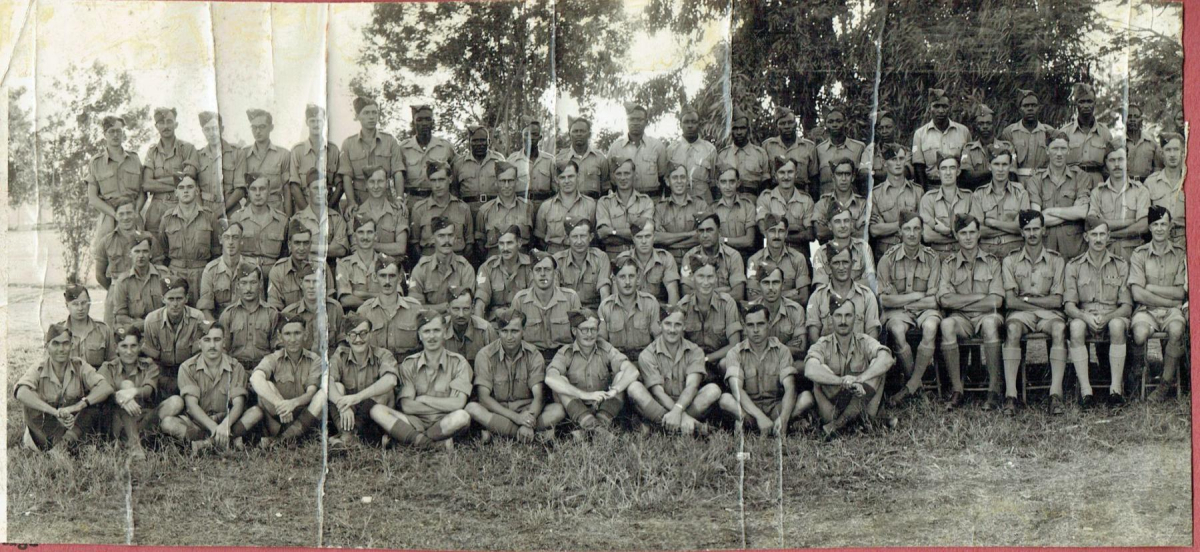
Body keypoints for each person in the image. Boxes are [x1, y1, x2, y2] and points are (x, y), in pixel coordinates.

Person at [369, 311, 473, 449]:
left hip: (446, 420)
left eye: (436, 330)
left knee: (462, 416)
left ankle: (407, 440)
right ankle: (433, 444)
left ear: (444, 332)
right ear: (419, 335)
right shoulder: (409, 364)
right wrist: (443, 404)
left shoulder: (459, 363)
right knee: (377, 410)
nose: (431, 336)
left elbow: (458, 404)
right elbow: (407, 406)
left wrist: (424, 399)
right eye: (426, 331)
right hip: (415, 421)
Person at [1001, 210, 1067, 415]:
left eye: (1036, 229)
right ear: (1021, 232)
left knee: (1059, 329)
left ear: (1044, 230)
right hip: (1022, 315)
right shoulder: (1010, 261)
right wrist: (1038, 303)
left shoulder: (1057, 261)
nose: (1032, 233)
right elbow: (1010, 300)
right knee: (1012, 329)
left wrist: (1026, 300)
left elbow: (1058, 300)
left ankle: (1055, 394)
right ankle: (1011, 395)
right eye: (1028, 229)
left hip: (1048, 315)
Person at [14, 323, 114, 458]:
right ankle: (66, 448)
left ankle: (62, 448)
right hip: (45, 430)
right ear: (47, 346)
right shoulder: (38, 368)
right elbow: (21, 392)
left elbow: (105, 387)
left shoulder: (79, 365)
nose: (61, 349)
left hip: (72, 426)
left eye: (65, 344)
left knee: (98, 401)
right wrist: (55, 413)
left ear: (71, 346)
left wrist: (78, 405)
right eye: (55, 344)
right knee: (30, 403)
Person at [466, 308, 565, 442]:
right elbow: (484, 398)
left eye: (514, 331)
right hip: (499, 412)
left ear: (523, 331)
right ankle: (529, 435)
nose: (509, 337)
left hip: (528, 411)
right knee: (473, 408)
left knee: (558, 410)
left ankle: (501, 434)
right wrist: (516, 418)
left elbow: (539, 396)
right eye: (504, 331)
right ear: (498, 332)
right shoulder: (485, 355)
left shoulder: (533, 354)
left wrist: (529, 419)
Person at [937, 214, 1005, 410]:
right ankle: (957, 389)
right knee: (947, 324)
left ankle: (993, 389)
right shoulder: (948, 264)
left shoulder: (992, 261)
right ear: (956, 236)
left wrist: (961, 302)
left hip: (987, 317)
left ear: (979, 234)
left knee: (991, 324)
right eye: (963, 233)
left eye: (972, 232)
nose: (968, 237)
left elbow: (996, 300)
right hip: (961, 319)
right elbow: (945, 300)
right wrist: (978, 297)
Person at [1063, 217, 1132, 407]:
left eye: (1102, 234)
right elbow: (1069, 306)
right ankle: (1086, 392)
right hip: (1085, 315)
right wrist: (1085, 316)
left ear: (1108, 236)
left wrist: (1109, 317)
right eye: (1094, 234)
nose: (1098, 239)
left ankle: (1115, 390)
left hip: (1113, 315)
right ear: (1086, 237)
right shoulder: (1074, 266)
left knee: (1118, 326)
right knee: (1075, 327)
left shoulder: (1120, 265)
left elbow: (1126, 307)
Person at [803, 297, 895, 439]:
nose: (843, 321)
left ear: (856, 318)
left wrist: (860, 379)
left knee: (878, 366)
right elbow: (809, 369)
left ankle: (839, 426)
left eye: (848, 316)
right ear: (831, 318)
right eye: (838, 316)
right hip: (834, 407)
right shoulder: (823, 344)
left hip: (861, 400)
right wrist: (842, 381)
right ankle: (860, 423)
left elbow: (887, 359)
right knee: (820, 370)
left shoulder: (864, 341)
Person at [878, 212, 943, 406]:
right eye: (907, 229)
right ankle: (918, 387)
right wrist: (915, 296)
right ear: (900, 232)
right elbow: (884, 301)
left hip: (924, 310)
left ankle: (912, 386)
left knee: (931, 326)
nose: (912, 233)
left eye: (916, 229)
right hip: (899, 313)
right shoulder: (887, 259)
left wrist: (902, 300)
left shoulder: (932, 258)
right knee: (897, 330)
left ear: (922, 231)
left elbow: (933, 301)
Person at [544, 308, 641, 437]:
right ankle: (600, 431)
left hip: (603, 408)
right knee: (561, 383)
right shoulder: (565, 353)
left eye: (593, 329)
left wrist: (615, 390)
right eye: (584, 330)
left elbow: (632, 371)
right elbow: (550, 378)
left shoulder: (605, 348)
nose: (589, 334)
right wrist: (585, 395)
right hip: (576, 410)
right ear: (574, 331)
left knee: (622, 375)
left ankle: (592, 430)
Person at [626, 305, 721, 436]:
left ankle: (658, 429)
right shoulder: (647, 354)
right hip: (659, 406)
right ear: (659, 325)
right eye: (667, 324)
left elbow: (692, 386)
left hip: (687, 404)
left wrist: (678, 410)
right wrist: (680, 414)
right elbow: (657, 392)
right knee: (634, 388)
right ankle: (693, 426)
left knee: (713, 390)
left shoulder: (695, 351)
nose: (672, 330)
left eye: (677, 325)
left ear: (684, 326)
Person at [719, 303, 811, 436]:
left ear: (768, 324)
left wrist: (783, 418)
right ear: (745, 327)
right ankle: (757, 424)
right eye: (750, 325)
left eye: (760, 324)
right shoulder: (735, 353)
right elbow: (736, 390)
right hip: (750, 409)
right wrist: (759, 416)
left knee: (806, 398)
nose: (755, 330)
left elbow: (790, 387)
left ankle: (778, 424)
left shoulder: (782, 350)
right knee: (725, 400)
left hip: (775, 407)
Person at [159, 322, 251, 452]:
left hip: (227, 421)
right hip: (198, 423)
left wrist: (225, 425)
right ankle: (226, 441)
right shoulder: (187, 367)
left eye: (217, 340)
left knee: (256, 413)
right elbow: (191, 406)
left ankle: (205, 445)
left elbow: (238, 404)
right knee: (168, 423)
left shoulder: (236, 367)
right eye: (207, 340)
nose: (212, 345)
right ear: (199, 343)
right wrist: (214, 427)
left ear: (224, 343)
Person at [1130, 206, 1189, 402]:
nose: (1160, 228)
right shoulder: (1139, 254)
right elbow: (1138, 293)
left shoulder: (1180, 254)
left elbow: (1181, 292)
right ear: (1149, 227)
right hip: (1147, 310)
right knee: (1138, 333)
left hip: (1172, 311)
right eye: (1155, 224)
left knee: (1176, 330)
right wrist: (1168, 299)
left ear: (1170, 226)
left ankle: (1165, 383)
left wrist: (1152, 287)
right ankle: (1138, 376)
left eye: (1163, 224)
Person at [243, 314, 325, 444]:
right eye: (287, 334)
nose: (292, 339)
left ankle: (282, 440)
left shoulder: (315, 360)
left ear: (305, 335)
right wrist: (280, 404)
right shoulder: (273, 358)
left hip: (305, 419)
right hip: (280, 418)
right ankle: (289, 438)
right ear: (280, 337)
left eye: (297, 333)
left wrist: (293, 403)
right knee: (266, 384)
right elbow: (255, 378)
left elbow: (311, 393)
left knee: (322, 394)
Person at [328, 314, 400, 447]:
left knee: (384, 392)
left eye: (363, 333)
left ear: (371, 335)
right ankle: (350, 437)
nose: (358, 339)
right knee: (336, 386)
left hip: (374, 419)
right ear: (347, 338)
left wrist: (357, 397)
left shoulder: (383, 355)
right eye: (353, 334)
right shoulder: (340, 354)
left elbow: (391, 380)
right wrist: (342, 405)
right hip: (347, 417)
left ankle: (346, 438)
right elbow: (327, 382)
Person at [97, 325, 167, 460]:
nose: (129, 351)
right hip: (116, 421)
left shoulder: (149, 365)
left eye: (133, 346)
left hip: (143, 420)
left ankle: (130, 441)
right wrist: (122, 398)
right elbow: (104, 391)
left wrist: (131, 392)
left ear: (140, 346)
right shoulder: (108, 368)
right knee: (124, 390)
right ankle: (134, 445)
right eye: (124, 346)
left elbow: (148, 390)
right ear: (116, 348)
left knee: (174, 402)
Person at [1027, 130, 1093, 259]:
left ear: (1068, 150)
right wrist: (1071, 213)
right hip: (1046, 248)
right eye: (1055, 148)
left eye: (1063, 149)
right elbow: (1037, 220)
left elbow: (1083, 212)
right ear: (1047, 150)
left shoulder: (1080, 176)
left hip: (1074, 248)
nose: (1059, 154)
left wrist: (1049, 211)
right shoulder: (1035, 180)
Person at [86, 115, 144, 258]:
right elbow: (92, 198)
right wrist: (114, 214)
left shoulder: (134, 159)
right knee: (108, 260)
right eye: (111, 131)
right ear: (104, 134)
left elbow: (143, 192)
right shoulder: (96, 163)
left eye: (119, 131)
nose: (115, 135)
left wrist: (135, 212)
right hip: (109, 218)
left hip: (133, 217)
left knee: (138, 257)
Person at [158, 176, 221, 304]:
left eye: (190, 187)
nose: (185, 191)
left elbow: (216, 251)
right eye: (181, 188)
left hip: (202, 275)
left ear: (197, 191)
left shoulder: (209, 216)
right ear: (176, 192)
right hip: (175, 274)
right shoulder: (168, 218)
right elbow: (162, 250)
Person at [141, 277, 207, 396]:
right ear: (163, 299)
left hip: (189, 372)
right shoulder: (151, 321)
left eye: (179, 299)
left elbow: (199, 356)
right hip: (161, 373)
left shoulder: (197, 318)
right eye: (170, 299)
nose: (175, 304)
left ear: (186, 298)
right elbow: (152, 359)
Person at [511, 254, 583, 361]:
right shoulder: (520, 300)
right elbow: (514, 336)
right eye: (538, 270)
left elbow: (580, 335)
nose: (543, 274)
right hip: (531, 358)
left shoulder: (570, 298)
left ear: (555, 273)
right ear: (531, 274)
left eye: (547, 269)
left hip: (565, 357)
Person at [806, 242, 880, 343]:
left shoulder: (867, 295)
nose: (841, 267)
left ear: (852, 264)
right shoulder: (817, 297)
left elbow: (872, 336)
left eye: (845, 262)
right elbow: (813, 337)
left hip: (860, 355)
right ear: (828, 267)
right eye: (836, 263)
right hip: (827, 355)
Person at [142, 107, 200, 234]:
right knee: (155, 249)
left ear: (176, 124)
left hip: (180, 207)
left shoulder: (188, 149)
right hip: (156, 211)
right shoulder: (152, 152)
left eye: (169, 121)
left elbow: (188, 179)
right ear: (156, 126)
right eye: (161, 123)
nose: (166, 126)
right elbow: (146, 184)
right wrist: (177, 180)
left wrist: (157, 183)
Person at [1086, 143, 1149, 259]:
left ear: (1127, 161)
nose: (1117, 165)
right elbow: (1093, 224)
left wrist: (1110, 233)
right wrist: (1132, 221)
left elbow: (1143, 226)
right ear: (1106, 163)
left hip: (1133, 254)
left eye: (1121, 159)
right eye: (1112, 160)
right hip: (1104, 254)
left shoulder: (1140, 191)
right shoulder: (1097, 192)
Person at [678, 256, 743, 368]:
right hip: (692, 362)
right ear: (693, 278)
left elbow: (734, 344)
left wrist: (707, 359)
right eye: (701, 277)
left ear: (716, 278)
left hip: (718, 360)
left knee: (726, 364)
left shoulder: (727, 303)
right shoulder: (684, 305)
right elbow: (677, 343)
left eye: (710, 277)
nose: (706, 282)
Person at [95, 199, 153, 325]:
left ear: (136, 214)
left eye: (129, 213)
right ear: (115, 215)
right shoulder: (106, 242)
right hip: (116, 292)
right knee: (113, 334)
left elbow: (158, 267)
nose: (125, 217)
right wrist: (116, 288)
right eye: (121, 214)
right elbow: (99, 275)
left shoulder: (148, 238)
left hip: (143, 291)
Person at [340, 96, 406, 207]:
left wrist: (399, 198)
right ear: (357, 117)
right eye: (366, 113)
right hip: (359, 199)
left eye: (374, 113)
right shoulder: (348, 144)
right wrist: (351, 202)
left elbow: (398, 171)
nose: (371, 117)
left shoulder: (390, 141)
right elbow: (346, 176)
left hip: (385, 199)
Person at [356, 254, 425, 359]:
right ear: (375, 277)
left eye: (392, 276)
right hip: (377, 371)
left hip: (408, 370)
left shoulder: (415, 309)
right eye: (382, 276)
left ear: (400, 278)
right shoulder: (364, 312)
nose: (387, 281)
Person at [973, 144, 1030, 259]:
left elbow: (1023, 227)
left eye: (1004, 164)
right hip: (986, 250)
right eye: (996, 164)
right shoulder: (979, 194)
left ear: (1010, 166)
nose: (1000, 169)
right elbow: (978, 230)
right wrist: (1011, 228)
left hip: (1014, 250)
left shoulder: (1020, 193)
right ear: (989, 166)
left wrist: (992, 223)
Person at [219, 263, 280, 372]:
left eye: (253, 282)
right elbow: (223, 349)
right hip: (236, 368)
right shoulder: (228, 314)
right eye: (244, 283)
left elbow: (277, 349)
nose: (248, 288)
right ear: (237, 285)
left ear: (260, 284)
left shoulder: (271, 313)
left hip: (264, 368)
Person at [918, 155, 983, 256]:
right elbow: (927, 236)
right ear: (938, 173)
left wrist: (947, 231)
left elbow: (976, 232)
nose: (948, 173)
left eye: (952, 168)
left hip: (964, 255)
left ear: (958, 172)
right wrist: (960, 234)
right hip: (937, 255)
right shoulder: (928, 199)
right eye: (943, 169)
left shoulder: (969, 197)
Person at [598, 257, 663, 359]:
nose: (627, 282)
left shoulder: (650, 303)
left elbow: (658, 338)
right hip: (617, 360)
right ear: (614, 279)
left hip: (646, 359)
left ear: (638, 278)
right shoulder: (605, 307)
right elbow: (602, 342)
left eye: (631, 276)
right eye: (622, 277)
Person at [409, 216, 477, 311]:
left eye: (450, 235)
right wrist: (444, 307)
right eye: (441, 236)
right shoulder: (421, 268)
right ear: (433, 239)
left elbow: (467, 305)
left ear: (455, 238)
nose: (447, 241)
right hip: (429, 322)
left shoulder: (465, 268)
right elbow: (415, 306)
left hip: (457, 322)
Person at [868, 144, 924, 261]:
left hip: (912, 253)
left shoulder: (917, 191)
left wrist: (886, 226)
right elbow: (874, 230)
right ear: (884, 162)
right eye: (893, 159)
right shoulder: (876, 194)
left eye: (901, 159)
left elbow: (921, 226)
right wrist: (907, 224)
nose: (898, 163)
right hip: (885, 254)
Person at [911, 89, 972, 191]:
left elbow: (968, 164)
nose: (940, 110)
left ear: (950, 108)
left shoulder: (963, 131)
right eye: (936, 106)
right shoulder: (920, 134)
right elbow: (919, 168)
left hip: (958, 187)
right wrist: (923, 194)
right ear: (930, 108)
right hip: (932, 187)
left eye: (944, 106)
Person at [267, 221, 335, 310]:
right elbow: (275, 308)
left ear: (310, 245)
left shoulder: (321, 267)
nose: (302, 248)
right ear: (289, 245)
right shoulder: (278, 271)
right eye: (297, 243)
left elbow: (329, 302)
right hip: (290, 320)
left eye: (306, 243)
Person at [596, 157, 655, 260]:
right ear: (613, 177)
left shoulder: (646, 201)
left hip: (640, 258)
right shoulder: (604, 202)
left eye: (627, 173)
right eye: (619, 174)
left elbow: (645, 234)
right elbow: (602, 234)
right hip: (613, 258)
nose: (623, 178)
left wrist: (612, 232)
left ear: (634, 175)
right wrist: (633, 234)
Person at [237, 108, 293, 216]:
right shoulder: (243, 154)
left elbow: (287, 190)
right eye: (254, 127)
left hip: (276, 210)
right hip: (251, 212)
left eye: (262, 127)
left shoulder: (283, 154)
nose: (257, 131)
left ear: (271, 128)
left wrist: (288, 218)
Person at [411, 161, 473, 256]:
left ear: (450, 179)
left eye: (441, 180)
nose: (437, 185)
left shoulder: (463, 208)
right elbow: (415, 243)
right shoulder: (419, 209)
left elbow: (469, 243)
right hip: (428, 262)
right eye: (433, 180)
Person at [746, 261, 808, 358]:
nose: (771, 288)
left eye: (775, 282)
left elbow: (801, 348)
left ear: (783, 285)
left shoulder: (796, 310)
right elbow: (748, 349)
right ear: (758, 285)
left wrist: (762, 347)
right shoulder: (750, 311)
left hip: (787, 363)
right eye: (766, 283)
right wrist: (785, 347)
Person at [281, 262, 345, 353]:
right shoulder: (290, 313)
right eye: (307, 281)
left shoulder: (334, 308)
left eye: (316, 282)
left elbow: (342, 341)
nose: (311, 286)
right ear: (300, 283)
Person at [111, 231, 169, 332]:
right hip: (135, 329)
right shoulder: (123, 281)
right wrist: (140, 325)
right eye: (137, 251)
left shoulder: (163, 275)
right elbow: (120, 315)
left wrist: (147, 323)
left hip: (161, 329)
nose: (141, 255)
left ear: (150, 253)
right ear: (130, 254)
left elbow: (171, 307)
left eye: (145, 251)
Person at [289, 104, 343, 212]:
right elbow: (294, 187)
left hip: (329, 206)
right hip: (303, 207)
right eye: (312, 121)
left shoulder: (333, 150)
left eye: (319, 120)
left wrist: (328, 210)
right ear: (307, 123)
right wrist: (308, 213)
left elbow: (340, 185)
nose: (316, 124)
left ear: (324, 122)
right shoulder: (297, 151)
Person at [536, 160, 597, 255]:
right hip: (554, 258)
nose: (567, 181)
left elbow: (593, 236)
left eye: (571, 176)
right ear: (556, 180)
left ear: (578, 176)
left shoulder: (590, 205)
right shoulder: (546, 207)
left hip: (581, 257)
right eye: (562, 177)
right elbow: (540, 237)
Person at [606, 103, 668, 197]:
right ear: (626, 121)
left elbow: (662, 176)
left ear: (646, 122)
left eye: (639, 119)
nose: (635, 123)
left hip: (652, 200)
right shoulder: (615, 148)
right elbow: (612, 179)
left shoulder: (657, 146)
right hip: (625, 202)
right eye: (631, 119)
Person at [346, 166, 409, 258]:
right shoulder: (355, 213)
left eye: (380, 181)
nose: (376, 186)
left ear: (387, 183)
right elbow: (355, 249)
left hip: (392, 267)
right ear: (366, 185)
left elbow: (400, 248)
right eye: (372, 182)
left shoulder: (398, 212)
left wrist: (371, 244)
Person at [681, 212, 746, 301]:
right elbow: (686, 293)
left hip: (727, 309)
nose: (705, 235)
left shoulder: (733, 256)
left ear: (719, 232)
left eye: (709, 230)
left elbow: (738, 294)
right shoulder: (689, 256)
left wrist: (703, 293)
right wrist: (724, 290)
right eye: (701, 231)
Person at [475, 161, 533, 259]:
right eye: (502, 181)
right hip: (494, 267)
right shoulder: (485, 211)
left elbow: (532, 240)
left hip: (522, 266)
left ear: (516, 181)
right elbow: (480, 244)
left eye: (510, 180)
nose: (506, 185)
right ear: (496, 182)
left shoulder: (528, 207)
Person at [756, 156, 816, 250]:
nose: (786, 177)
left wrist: (776, 232)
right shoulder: (766, 198)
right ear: (775, 176)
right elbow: (763, 229)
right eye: (782, 172)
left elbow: (809, 234)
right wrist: (796, 229)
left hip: (799, 253)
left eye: (790, 172)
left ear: (796, 174)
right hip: (774, 253)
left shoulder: (806, 200)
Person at [616, 219, 682, 306]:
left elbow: (673, 292)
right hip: (631, 309)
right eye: (639, 237)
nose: (644, 241)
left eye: (647, 236)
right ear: (633, 239)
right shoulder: (622, 259)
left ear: (654, 237)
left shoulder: (666, 258)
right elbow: (616, 294)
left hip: (658, 309)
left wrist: (671, 316)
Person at [229, 176, 289, 269]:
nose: (258, 193)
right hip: (245, 275)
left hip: (273, 274)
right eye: (253, 189)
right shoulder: (236, 219)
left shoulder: (282, 220)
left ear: (269, 192)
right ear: (248, 192)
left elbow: (285, 254)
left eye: (262, 189)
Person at [474, 225, 533, 319]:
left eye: (509, 243)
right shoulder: (487, 267)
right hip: (495, 322)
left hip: (522, 320)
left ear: (519, 243)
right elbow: (480, 303)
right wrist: (479, 327)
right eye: (501, 243)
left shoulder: (531, 266)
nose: (505, 248)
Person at [811, 203, 875, 289]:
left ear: (851, 224)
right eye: (837, 222)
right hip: (832, 301)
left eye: (846, 221)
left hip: (860, 299)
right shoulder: (821, 253)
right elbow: (821, 288)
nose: (843, 226)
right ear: (830, 226)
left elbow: (870, 281)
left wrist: (839, 288)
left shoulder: (863, 247)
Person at [1059, 83, 1112, 187]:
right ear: (1076, 104)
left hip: (1097, 183)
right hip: (1072, 182)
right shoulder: (1066, 132)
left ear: (1095, 103)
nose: (1086, 105)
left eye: (1089, 101)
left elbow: (1110, 163)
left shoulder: (1105, 133)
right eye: (1082, 102)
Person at [399, 104, 457, 198]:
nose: (424, 123)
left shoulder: (445, 146)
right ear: (413, 123)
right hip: (413, 200)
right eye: (419, 120)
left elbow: (454, 176)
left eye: (428, 119)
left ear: (433, 122)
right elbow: (398, 177)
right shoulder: (403, 148)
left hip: (439, 200)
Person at [290, 170, 351, 260]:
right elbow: (293, 250)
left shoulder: (336, 219)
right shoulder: (298, 219)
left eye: (323, 188)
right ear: (307, 191)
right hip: (305, 269)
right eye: (315, 188)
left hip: (331, 268)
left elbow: (340, 250)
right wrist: (329, 248)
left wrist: (308, 247)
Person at [552, 217, 612, 308]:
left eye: (583, 236)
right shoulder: (557, 260)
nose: (579, 241)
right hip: (567, 310)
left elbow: (604, 293)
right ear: (568, 239)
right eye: (575, 237)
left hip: (592, 312)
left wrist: (603, 318)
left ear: (591, 237)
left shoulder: (601, 258)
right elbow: (554, 293)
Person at [655, 162, 709, 263]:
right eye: (675, 177)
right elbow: (656, 238)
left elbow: (704, 237)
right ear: (667, 181)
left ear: (688, 180)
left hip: (695, 259)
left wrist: (668, 240)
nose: (679, 181)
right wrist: (690, 234)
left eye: (682, 177)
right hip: (667, 260)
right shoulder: (660, 208)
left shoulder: (700, 205)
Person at [999, 89, 1054, 185]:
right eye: (1026, 106)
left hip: (1043, 182)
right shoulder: (1009, 132)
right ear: (1020, 109)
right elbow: (1005, 162)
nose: (1030, 108)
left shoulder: (1048, 131)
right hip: (1018, 182)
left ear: (1039, 108)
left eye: (1034, 105)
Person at [196, 111, 246, 216]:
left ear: (222, 129)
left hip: (231, 210)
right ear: (203, 131)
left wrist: (220, 212)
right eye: (207, 129)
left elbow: (240, 190)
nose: (212, 133)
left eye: (215, 128)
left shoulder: (237, 153)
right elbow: (195, 189)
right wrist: (202, 212)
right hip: (205, 211)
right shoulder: (198, 156)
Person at [666, 106, 717, 203]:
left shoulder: (710, 149)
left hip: (704, 201)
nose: (690, 126)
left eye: (694, 122)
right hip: (679, 203)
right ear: (680, 124)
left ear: (699, 124)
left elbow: (714, 182)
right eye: (686, 122)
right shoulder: (671, 150)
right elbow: (668, 182)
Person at [763, 107, 820, 193]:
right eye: (782, 123)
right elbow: (765, 179)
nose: (787, 126)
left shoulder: (809, 147)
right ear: (776, 126)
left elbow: (814, 180)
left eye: (790, 122)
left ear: (796, 124)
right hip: (775, 197)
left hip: (801, 197)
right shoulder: (768, 146)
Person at [958, 105, 1014, 190]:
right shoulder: (968, 149)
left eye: (988, 123)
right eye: (981, 123)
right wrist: (993, 170)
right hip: (976, 194)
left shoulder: (1007, 147)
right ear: (976, 126)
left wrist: (981, 174)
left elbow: (1012, 174)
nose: (985, 126)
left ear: (994, 124)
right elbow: (967, 176)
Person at [199, 221, 247, 320]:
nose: (230, 242)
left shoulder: (252, 268)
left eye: (235, 237)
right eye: (226, 237)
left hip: (246, 322)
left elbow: (259, 306)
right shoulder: (210, 270)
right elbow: (205, 309)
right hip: (219, 322)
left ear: (242, 240)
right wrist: (216, 329)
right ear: (220, 240)